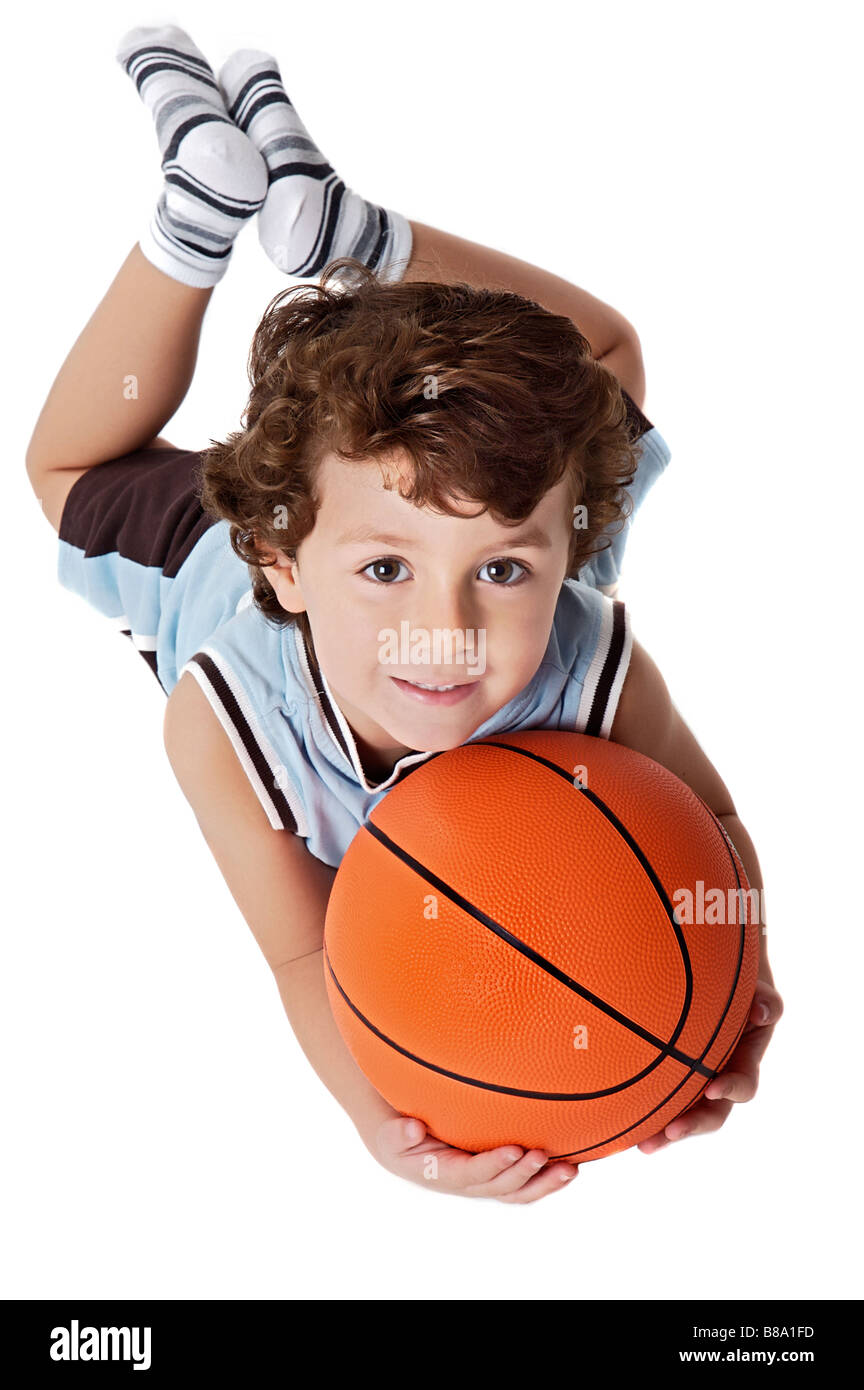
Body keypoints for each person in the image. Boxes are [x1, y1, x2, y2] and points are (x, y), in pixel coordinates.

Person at [26, 24, 782, 1203]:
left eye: (502, 571)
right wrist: (376, 1118)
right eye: (387, 574)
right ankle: (219, 225)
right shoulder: (224, 715)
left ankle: (341, 237)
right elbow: (298, 948)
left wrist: (741, 972)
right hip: (200, 553)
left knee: (596, 378)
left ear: (565, 548)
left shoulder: (581, 652)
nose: (447, 631)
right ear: (287, 560)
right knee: (66, 471)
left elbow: (717, 823)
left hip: (436, 507)